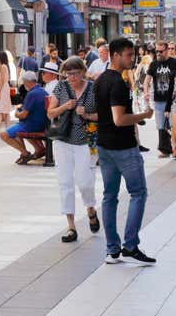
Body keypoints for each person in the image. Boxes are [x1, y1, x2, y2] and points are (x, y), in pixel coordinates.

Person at [95, 38, 156, 265]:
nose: (132, 59)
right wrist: (144, 116)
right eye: (129, 55)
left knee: (109, 196)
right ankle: (130, 245)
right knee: (138, 193)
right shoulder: (117, 83)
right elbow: (119, 119)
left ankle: (112, 249)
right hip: (122, 147)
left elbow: (97, 114)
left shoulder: (100, 80)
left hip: (104, 146)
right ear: (116, 55)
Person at [47, 57, 100, 243]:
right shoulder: (61, 87)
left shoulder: (93, 88)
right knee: (65, 183)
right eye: (68, 74)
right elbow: (50, 113)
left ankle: (91, 209)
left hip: (87, 141)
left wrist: (86, 114)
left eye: (75, 73)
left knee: (85, 182)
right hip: (63, 140)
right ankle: (71, 227)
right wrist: (65, 106)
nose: (72, 77)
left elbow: (102, 115)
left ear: (83, 72)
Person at [0, 71, 48, 164]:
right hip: (42, 124)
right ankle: (39, 149)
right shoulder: (43, 91)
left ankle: (25, 153)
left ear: (27, 82)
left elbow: (24, 114)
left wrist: (17, 113)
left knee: (4, 134)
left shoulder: (32, 93)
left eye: (24, 82)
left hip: (31, 125)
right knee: (17, 128)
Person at [144, 41, 176, 158]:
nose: (158, 53)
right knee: (161, 127)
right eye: (156, 51)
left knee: (172, 126)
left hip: (173, 100)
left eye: (161, 51)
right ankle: (165, 150)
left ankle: (174, 148)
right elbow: (147, 80)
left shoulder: (174, 63)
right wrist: (146, 92)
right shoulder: (153, 64)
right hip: (158, 100)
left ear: (167, 50)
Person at [0, 51, 12, 131]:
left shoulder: (2, 67)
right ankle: (8, 128)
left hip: (2, 88)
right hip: (5, 87)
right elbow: (3, 79)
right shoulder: (6, 66)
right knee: (5, 110)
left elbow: (2, 80)